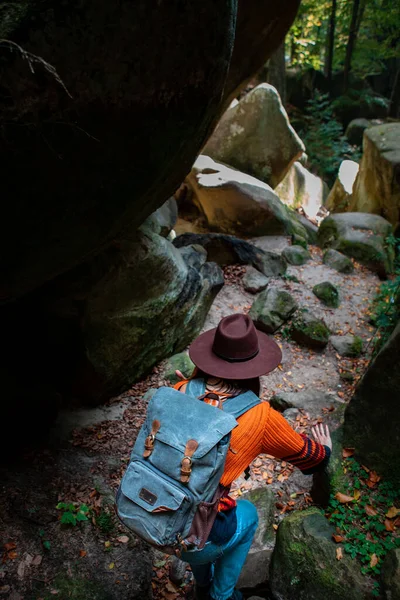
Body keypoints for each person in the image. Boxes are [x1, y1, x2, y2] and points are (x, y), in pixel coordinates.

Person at [173, 313, 332, 600]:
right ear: (254, 366)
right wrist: (325, 450)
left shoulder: (180, 390)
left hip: (157, 516)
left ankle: (202, 583)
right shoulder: (259, 416)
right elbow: (309, 457)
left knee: (198, 504)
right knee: (248, 515)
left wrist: (185, 392)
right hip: (197, 537)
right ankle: (220, 596)